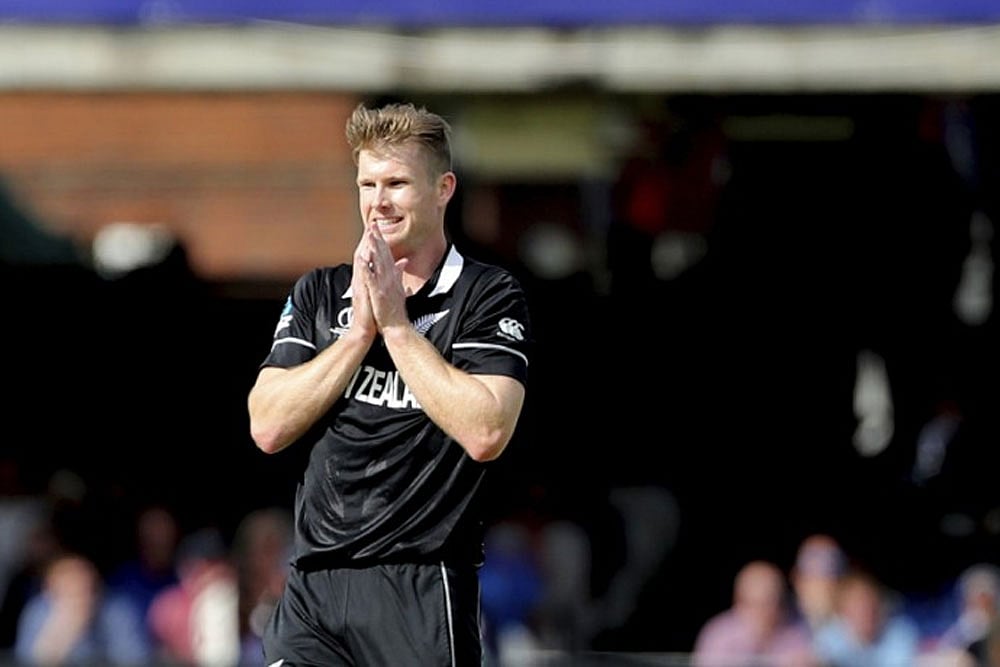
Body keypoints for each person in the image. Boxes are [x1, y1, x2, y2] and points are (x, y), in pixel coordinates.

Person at [247, 101, 533, 666]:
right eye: (367, 184)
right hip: (313, 587)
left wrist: (397, 328)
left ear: (443, 189)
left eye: (397, 183)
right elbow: (268, 425)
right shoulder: (320, 292)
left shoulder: (486, 294)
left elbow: (487, 431)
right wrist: (358, 335)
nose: (378, 201)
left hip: (419, 585)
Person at [691, 559, 818, 667]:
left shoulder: (798, 631)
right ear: (738, 602)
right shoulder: (719, 635)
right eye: (755, 603)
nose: (763, 612)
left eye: (771, 603)